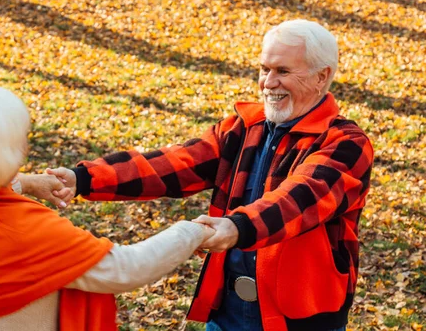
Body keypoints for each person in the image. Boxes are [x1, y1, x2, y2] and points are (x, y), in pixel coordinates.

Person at [24, 20, 374, 331]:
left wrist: (237, 227)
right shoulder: (244, 127)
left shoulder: (346, 143)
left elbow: (300, 200)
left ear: (322, 76)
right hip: (228, 311)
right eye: (264, 69)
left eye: (282, 70)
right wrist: (83, 178)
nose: (268, 83)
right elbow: (177, 164)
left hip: (301, 319)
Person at [0, 86, 215, 331]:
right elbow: (126, 268)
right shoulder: (24, 232)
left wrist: (24, 183)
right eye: (20, 140)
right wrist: (191, 232)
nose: (25, 147)